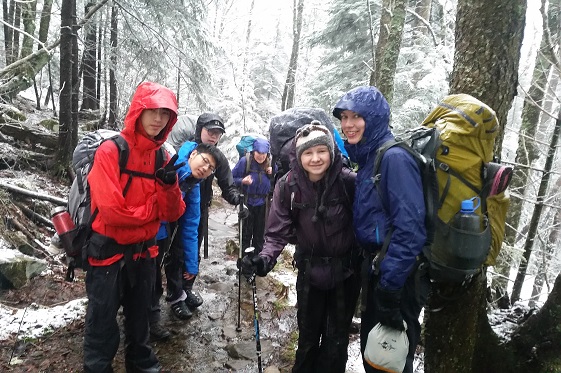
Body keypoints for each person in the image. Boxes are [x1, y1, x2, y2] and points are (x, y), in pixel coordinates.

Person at [83, 81, 186, 372]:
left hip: (144, 255)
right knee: (101, 326)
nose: (158, 119)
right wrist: (154, 209)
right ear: (137, 111)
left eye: (165, 113)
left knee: (140, 325)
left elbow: (175, 211)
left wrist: (166, 187)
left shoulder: (163, 158)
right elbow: (113, 213)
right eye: (152, 110)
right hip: (107, 254)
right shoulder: (110, 152)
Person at [241, 122, 360, 373]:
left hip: (346, 274)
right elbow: (275, 233)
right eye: (308, 152)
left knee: (336, 341)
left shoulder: (349, 181)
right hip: (309, 272)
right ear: (298, 155)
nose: (315, 158)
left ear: (331, 151)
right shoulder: (288, 185)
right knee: (307, 338)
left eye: (321, 151)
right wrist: (264, 260)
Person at [332, 86, 430, 373]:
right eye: (344, 117)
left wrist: (390, 286)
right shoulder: (369, 157)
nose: (348, 125)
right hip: (381, 269)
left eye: (356, 117)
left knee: (390, 361)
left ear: (373, 118)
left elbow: (410, 229)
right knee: (376, 356)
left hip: (398, 276)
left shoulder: (393, 158)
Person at [149, 143, 221, 338]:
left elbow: (190, 225)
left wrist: (191, 264)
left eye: (210, 168)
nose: (205, 168)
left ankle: (151, 321)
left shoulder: (193, 184)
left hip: (160, 234)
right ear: (194, 154)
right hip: (141, 228)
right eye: (205, 161)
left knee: (152, 277)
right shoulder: (169, 164)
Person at [184, 113, 244, 311]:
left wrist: (237, 199)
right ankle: (174, 294)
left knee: (193, 249)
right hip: (177, 207)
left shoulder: (217, 159)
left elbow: (228, 185)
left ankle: (186, 290)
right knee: (175, 251)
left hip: (200, 209)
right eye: (210, 131)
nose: (214, 137)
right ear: (200, 129)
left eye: (217, 134)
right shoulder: (186, 151)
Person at [232, 138, 275, 254]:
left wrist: (273, 173)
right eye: (258, 153)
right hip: (247, 202)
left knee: (260, 236)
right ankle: (244, 265)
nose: (261, 156)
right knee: (245, 235)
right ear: (253, 151)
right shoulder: (244, 162)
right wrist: (242, 181)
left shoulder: (271, 164)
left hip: (263, 204)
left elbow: (277, 182)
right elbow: (231, 180)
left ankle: (256, 264)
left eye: (264, 154)